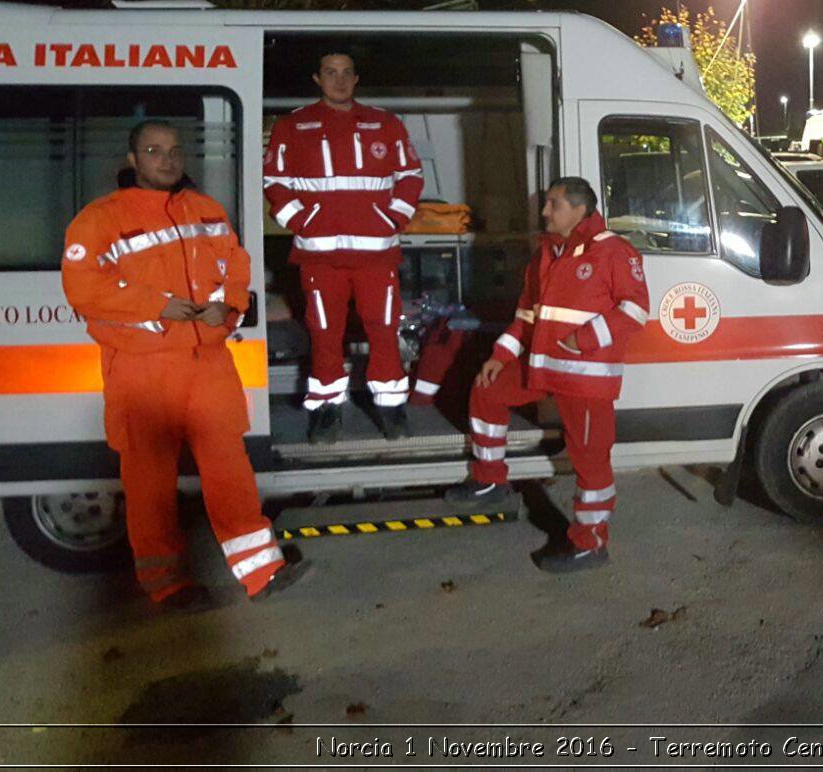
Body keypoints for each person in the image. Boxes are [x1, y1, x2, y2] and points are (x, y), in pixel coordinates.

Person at [62, 120, 305, 609]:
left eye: (174, 151)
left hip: (209, 362)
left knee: (230, 470)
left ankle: (262, 572)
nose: (167, 159)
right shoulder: (99, 219)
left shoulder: (204, 209)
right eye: (154, 151)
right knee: (149, 482)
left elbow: (236, 264)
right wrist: (156, 305)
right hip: (144, 369)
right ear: (133, 160)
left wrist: (229, 304)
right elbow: (83, 287)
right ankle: (165, 585)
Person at [444, 178, 650, 574]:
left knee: (590, 463)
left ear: (578, 209)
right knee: (486, 390)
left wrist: (583, 339)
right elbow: (527, 315)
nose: (544, 212)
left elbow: (636, 309)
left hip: (586, 379)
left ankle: (590, 544)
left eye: (552, 205)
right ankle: (490, 480)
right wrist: (501, 355)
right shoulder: (546, 252)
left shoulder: (614, 252)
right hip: (541, 367)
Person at [263, 51, 424, 444]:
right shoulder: (293, 125)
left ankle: (390, 408)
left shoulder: (384, 123)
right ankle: (326, 408)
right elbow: (274, 182)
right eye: (330, 73)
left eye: (346, 73)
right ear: (317, 78)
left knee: (384, 331)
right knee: (324, 333)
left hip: (377, 255)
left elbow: (410, 175)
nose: (339, 80)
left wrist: (392, 220)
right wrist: (302, 222)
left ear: (356, 79)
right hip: (319, 256)